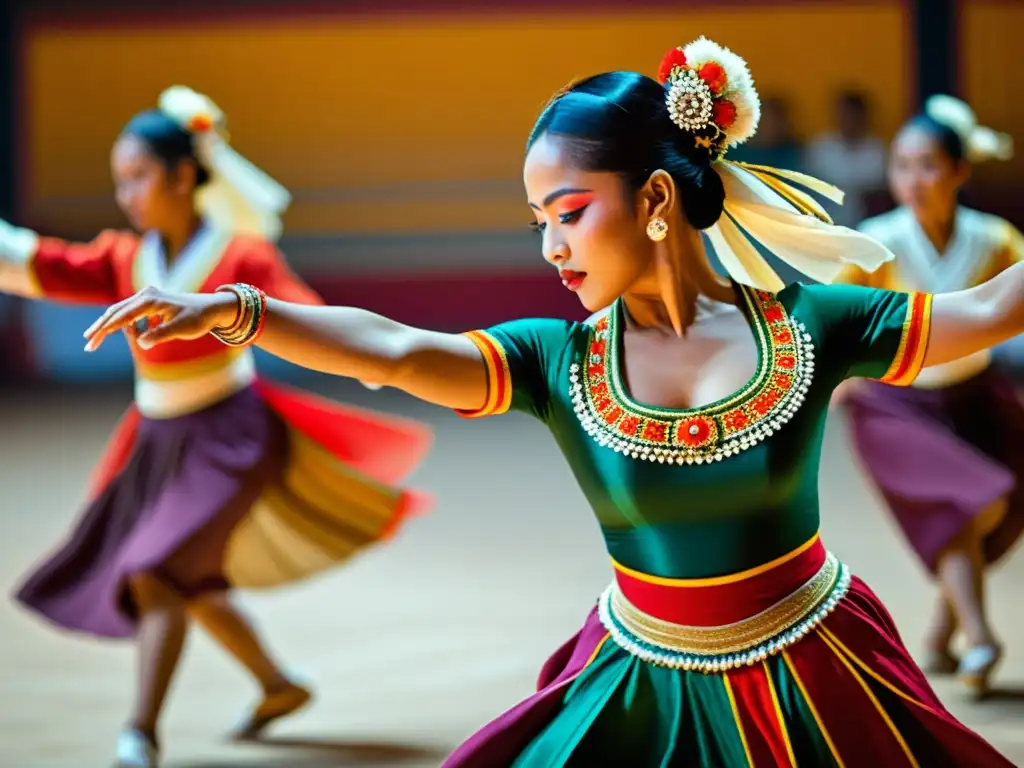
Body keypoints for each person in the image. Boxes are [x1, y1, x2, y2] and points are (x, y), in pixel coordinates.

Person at [82, 40, 1019, 767]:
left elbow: (981, 311)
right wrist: (238, 311)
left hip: (821, 667)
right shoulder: (556, 359)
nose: (552, 249)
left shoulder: (810, 325)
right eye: (540, 225)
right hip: (639, 680)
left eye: (569, 214)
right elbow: (398, 353)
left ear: (655, 197)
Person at [0, 87, 432, 768]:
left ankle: (138, 733)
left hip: (231, 436)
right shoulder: (123, 259)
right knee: (189, 581)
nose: (128, 195)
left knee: (157, 571)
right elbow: (42, 264)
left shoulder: (241, 255)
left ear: (182, 174)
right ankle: (278, 685)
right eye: (121, 182)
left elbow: (305, 317)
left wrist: (365, 358)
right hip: (157, 439)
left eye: (139, 177)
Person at [835, 95, 1021, 697]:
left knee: (989, 507)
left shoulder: (994, 241)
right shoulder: (876, 242)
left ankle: (942, 635)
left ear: (960, 171)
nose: (913, 180)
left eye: (928, 165)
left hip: (973, 397)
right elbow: (833, 318)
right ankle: (980, 634)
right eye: (902, 166)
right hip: (894, 404)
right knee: (963, 503)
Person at [804, 90, 888, 227]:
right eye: (844, 115)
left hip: (867, 225)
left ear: (863, 117)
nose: (849, 121)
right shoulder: (820, 148)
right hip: (825, 223)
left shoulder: (877, 150)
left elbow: (880, 194)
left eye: (853, 115)